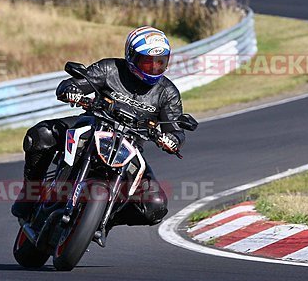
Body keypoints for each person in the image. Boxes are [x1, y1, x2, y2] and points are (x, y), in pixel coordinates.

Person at [11, 26, 185, 229]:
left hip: (129, 147)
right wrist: (72, 90)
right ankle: (31, 192)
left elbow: (175, 129)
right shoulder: (109, 69)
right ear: (131, 56)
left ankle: (103, 218)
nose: (152, 68)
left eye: (159, 63)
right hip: (93, 126)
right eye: (146, 62)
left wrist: (172, 140)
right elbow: (73, 83)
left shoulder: (168, 92)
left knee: (155, 206)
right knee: (40, 136)